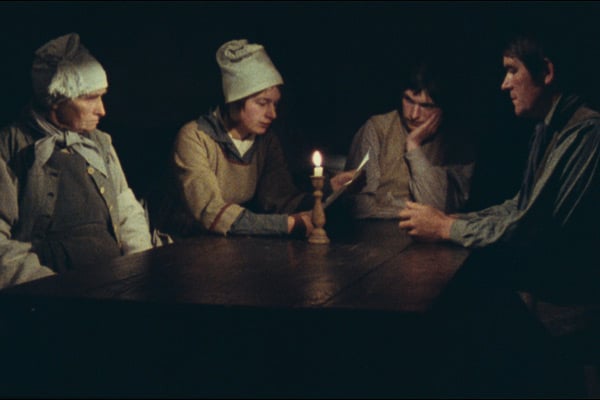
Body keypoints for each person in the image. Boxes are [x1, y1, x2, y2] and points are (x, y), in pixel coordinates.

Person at [399, 32, 600, 395]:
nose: (504, 83)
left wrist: (447, 230)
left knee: (454, 332)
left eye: (512, 70)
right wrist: (454, 222)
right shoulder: (548, 127)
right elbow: (518, 205)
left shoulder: (587, 131)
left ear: (547, 72)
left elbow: (533, 227)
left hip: (566, 304)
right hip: (542, 291)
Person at [0, 33, 153, 289]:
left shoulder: (100, 143)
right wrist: (48, 287)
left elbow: (126, 207)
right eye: (90, 98)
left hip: (116, 281)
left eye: (102, 96)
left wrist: (138, 267)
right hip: (54, 292)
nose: (102, 110)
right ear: (56, 101)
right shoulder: (11, 148)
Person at [159, 39, 355, 238]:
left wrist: (329, 189)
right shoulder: (195, 138)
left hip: (225, 243)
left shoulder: (265, 142)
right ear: (235, 102)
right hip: (180, 245)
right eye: (262, 103)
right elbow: (211, 210)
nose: (272, 114)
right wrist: (287, 225)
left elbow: (281, 201)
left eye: (275, 105)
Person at [344, 58, 475, 219]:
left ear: (442, 109)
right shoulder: (378, 129)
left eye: (426, 106)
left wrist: (413, 145)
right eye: (408, 100)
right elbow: (360, 206)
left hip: (432, 240)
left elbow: (437, 208)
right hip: (375, 234)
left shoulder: (455, 141)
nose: (413, 115)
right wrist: (413, 212)